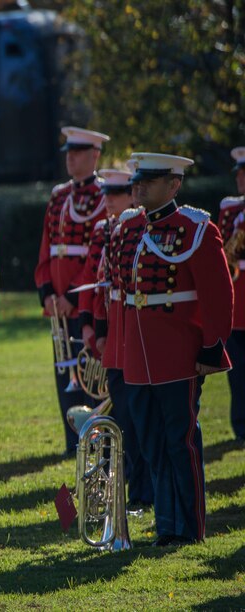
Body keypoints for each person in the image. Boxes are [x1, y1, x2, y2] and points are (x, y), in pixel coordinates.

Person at [119, 152, 233, 546]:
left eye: (151, 179)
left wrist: (211, 348)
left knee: (179, 442)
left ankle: (188, 527)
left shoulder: (195, 228)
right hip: (139, 357)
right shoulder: (130, 227)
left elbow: (218, 294)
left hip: (177, 355)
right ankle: (166, 523)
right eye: (138, 179)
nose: (140, 185)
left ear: (174, 184)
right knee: (151, 444)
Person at [34, 126, 110, 457]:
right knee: (65, 369)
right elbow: (47, 249)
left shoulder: (108, 194)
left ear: (95, 156)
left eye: (78, 153)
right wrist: (49, 293)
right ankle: (72, 440)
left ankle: (97, 435)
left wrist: (73, 297)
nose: (71, 158)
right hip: (58, 301)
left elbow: (97, 257)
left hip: (85, 298)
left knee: (91, 369)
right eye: (69, 152)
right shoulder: (59, 196)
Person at [88, 168, 154, 509]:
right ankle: (135, 489)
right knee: (125, 422)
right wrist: (98, 331)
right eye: (106, 193)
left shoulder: (143, 229)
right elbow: (102, 287)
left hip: (136, 336)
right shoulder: (113, 231)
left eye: (116, 193)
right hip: (116, 339)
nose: (108, 200)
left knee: (141, 421)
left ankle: (146, 492)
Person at [218, 147, 245, 442]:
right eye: (238, 173)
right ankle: (241, 425)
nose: (240, 178)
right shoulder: (230, 208)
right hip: (237, 301)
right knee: (237, 372)